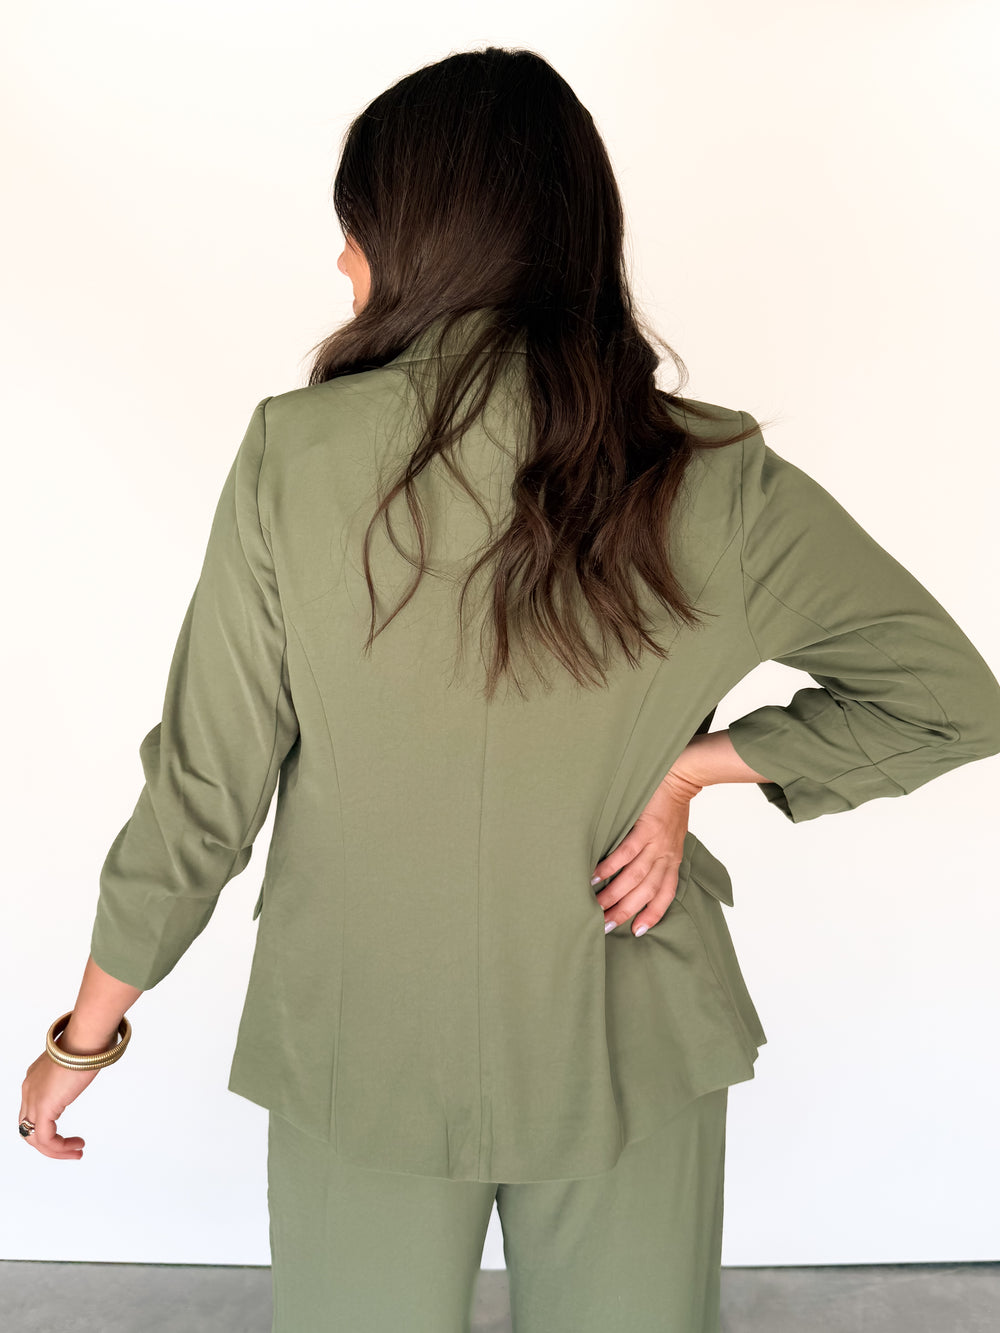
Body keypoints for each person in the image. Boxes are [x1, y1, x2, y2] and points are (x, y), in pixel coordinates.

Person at [18, 45, 1000, 1333]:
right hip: (626, 1019)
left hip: (361, 1036)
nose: (342, 260)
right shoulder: (713, 471)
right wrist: (694, 768)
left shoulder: (290, 457)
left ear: (419, 241)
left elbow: (206, 788)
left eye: (357, 227)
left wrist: (85, 1036)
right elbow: (949, 698)